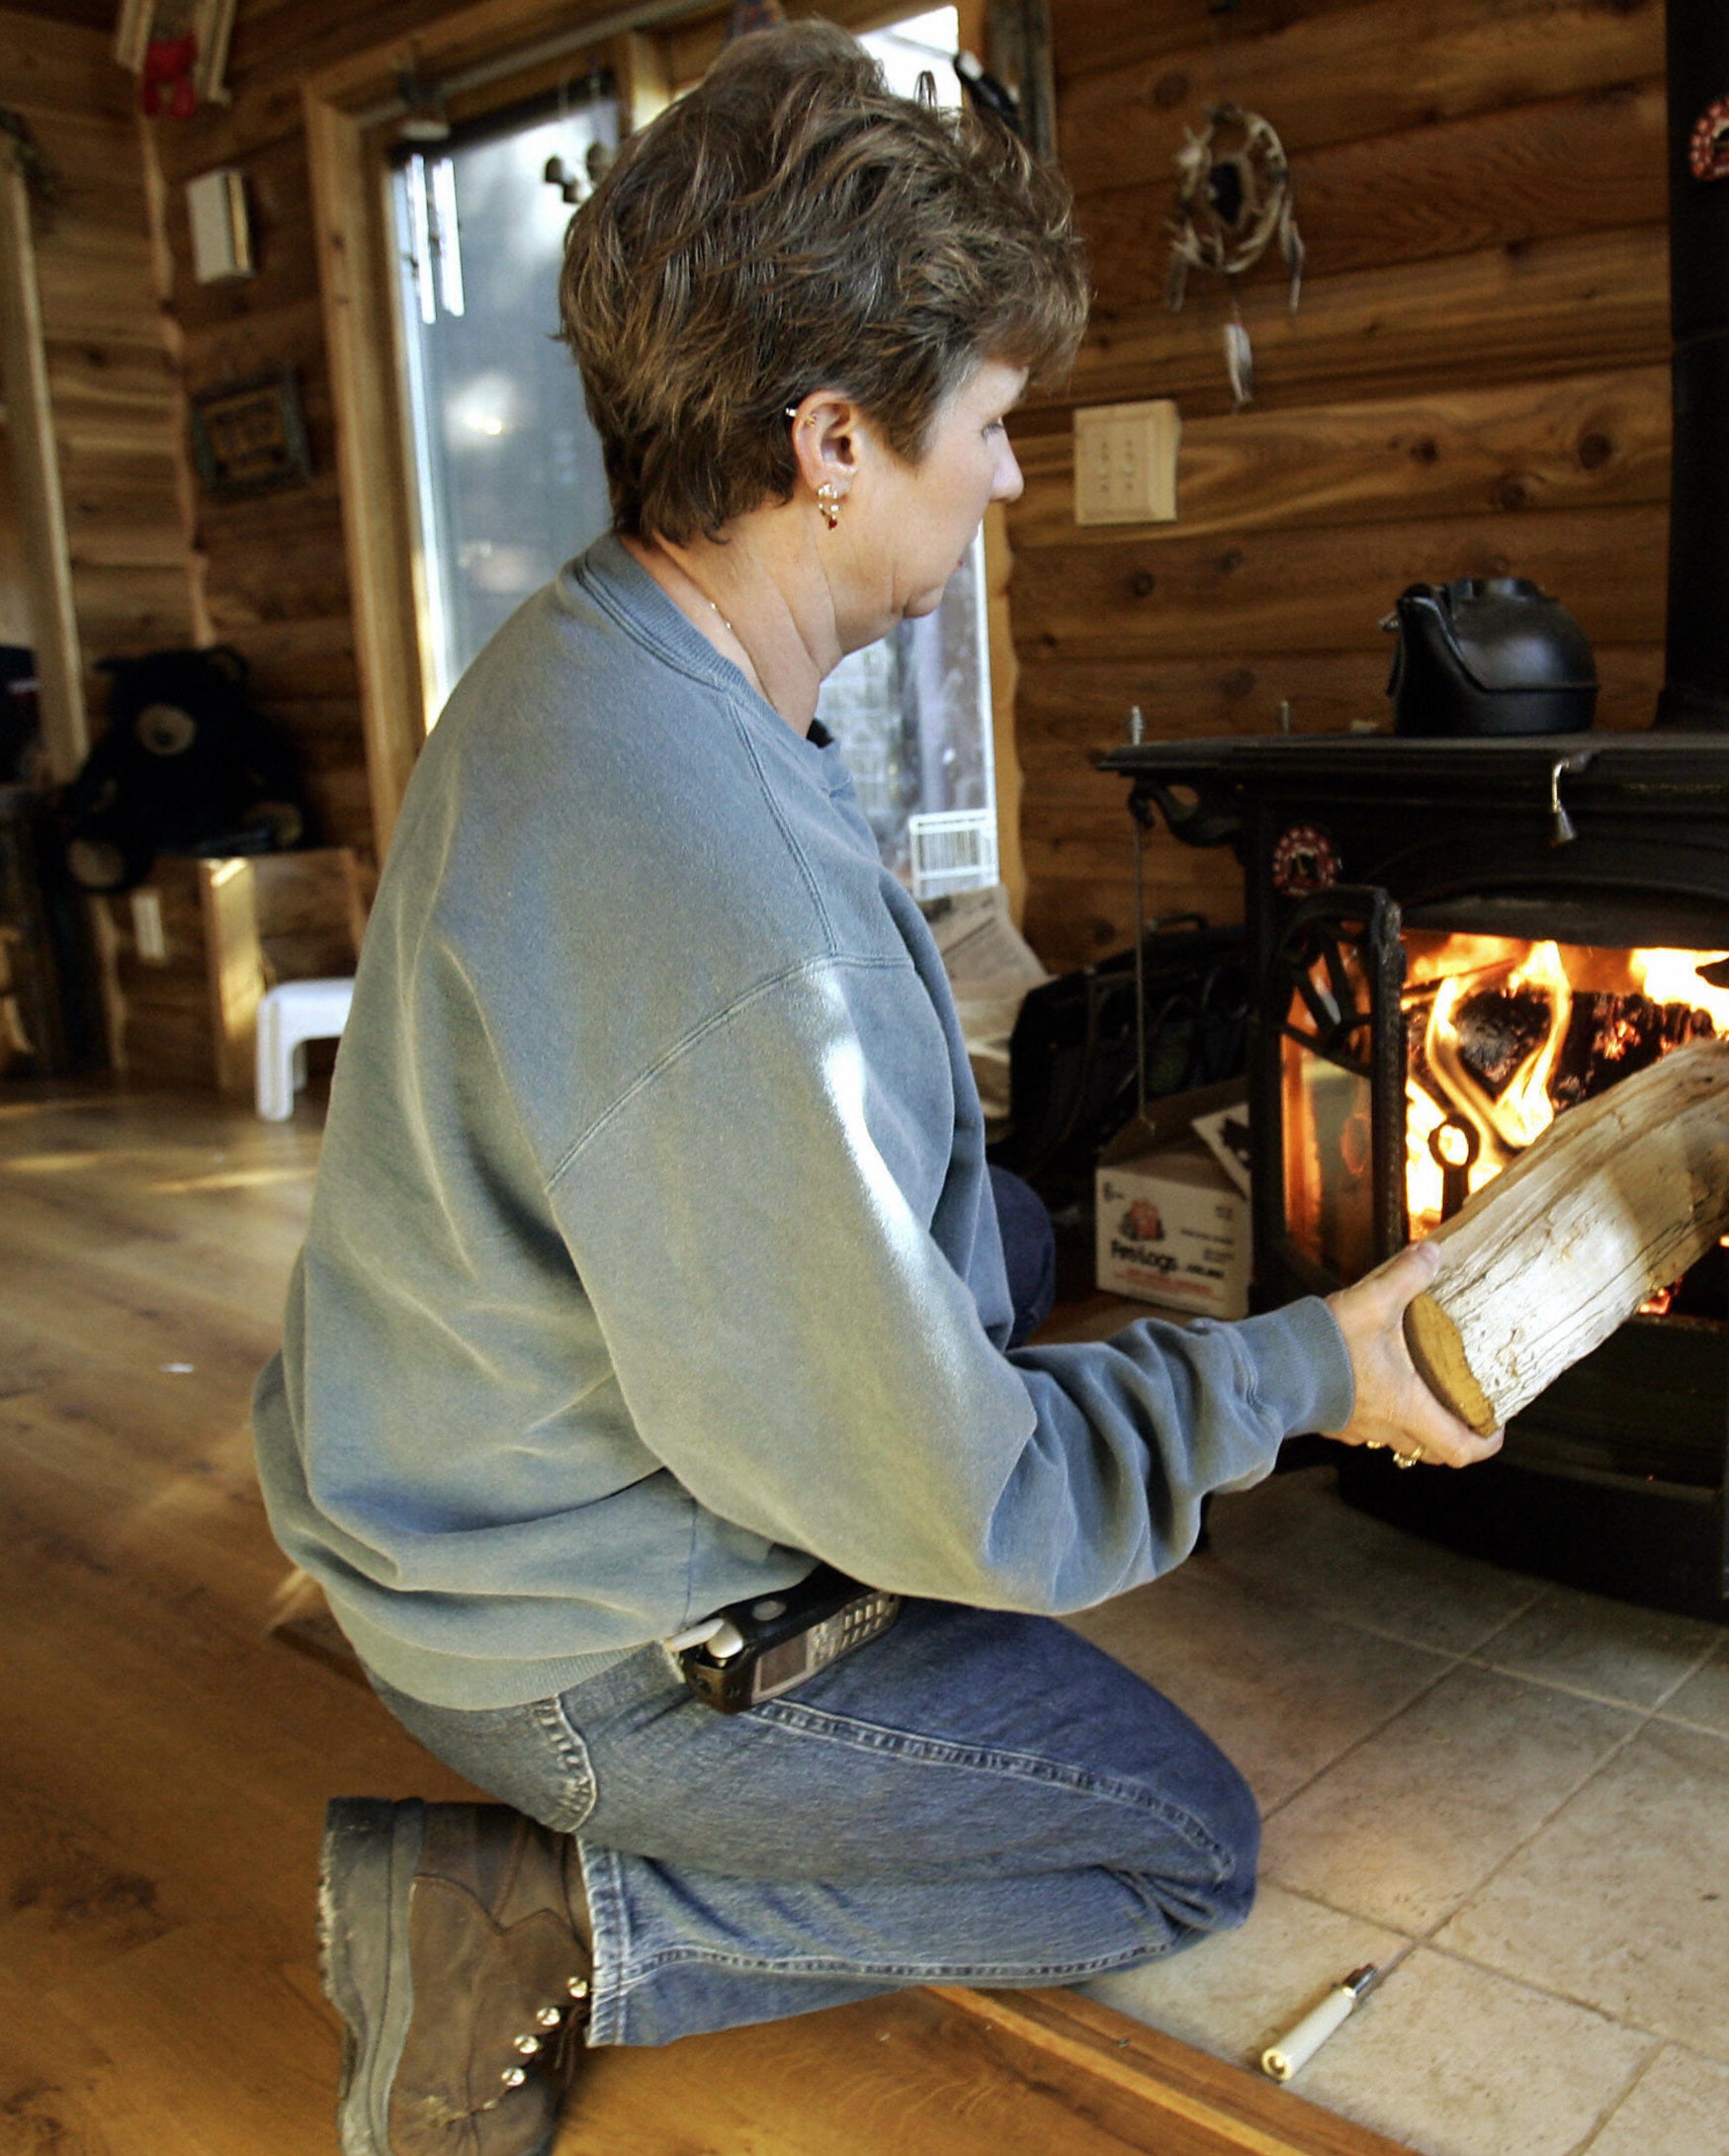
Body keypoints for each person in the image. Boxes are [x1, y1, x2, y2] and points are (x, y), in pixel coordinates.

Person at [254, 28, 1490, 2156]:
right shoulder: (732, 901)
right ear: (832, 439)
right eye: (994, 423)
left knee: (1015, 1226)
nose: (1009, 475)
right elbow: (964, 1495)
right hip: (580, 1635)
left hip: (458, 1479)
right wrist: (1302, 1374)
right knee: (1172, 1842)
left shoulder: (594, 651)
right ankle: (543, 1908)